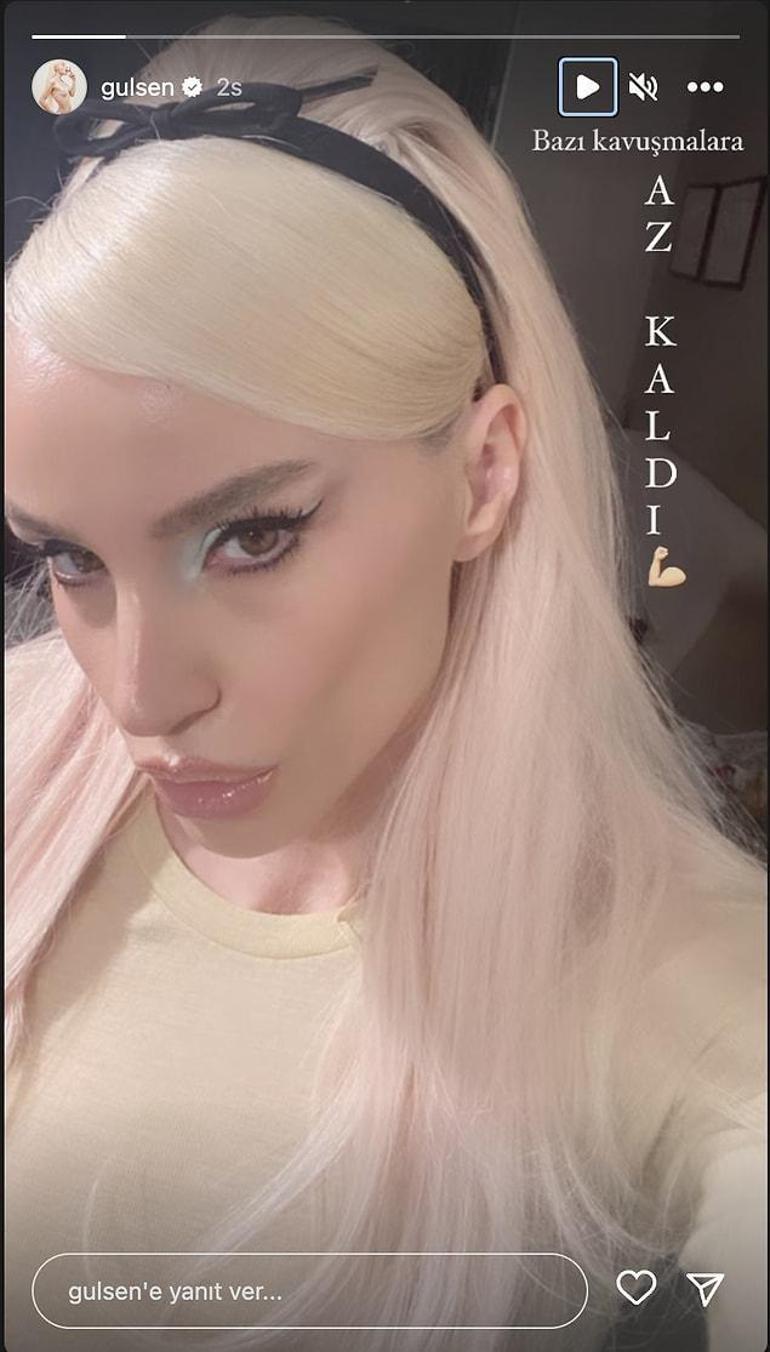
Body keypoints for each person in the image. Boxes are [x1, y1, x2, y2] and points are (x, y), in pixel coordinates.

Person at [5, 14, 766, 1352]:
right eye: (71, 558)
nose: (139, 698)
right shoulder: (19, 737)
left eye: (253, 537)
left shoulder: (678, 973)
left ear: (484, 474)